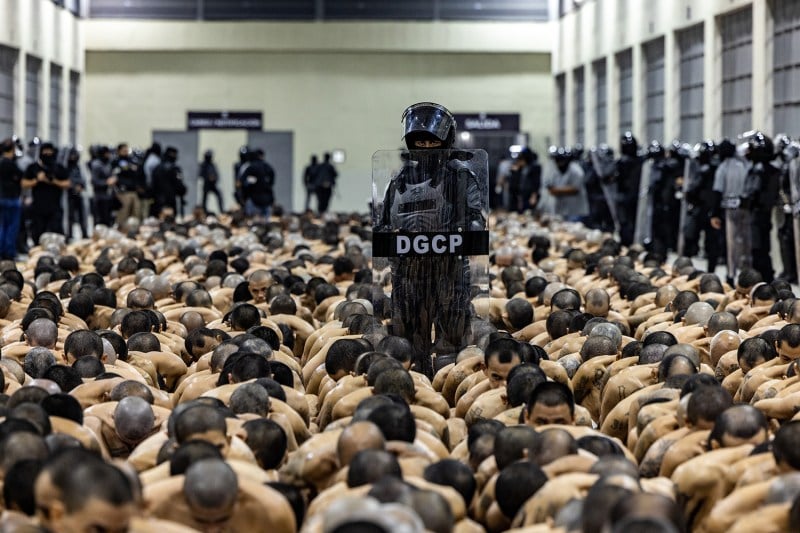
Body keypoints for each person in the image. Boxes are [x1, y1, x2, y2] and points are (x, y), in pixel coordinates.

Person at [373, 102, 487, 378]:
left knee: (452, 341)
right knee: (410, 342)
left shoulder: (460, 176)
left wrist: (460, 237)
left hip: (449, 269)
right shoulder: (398, 180)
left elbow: (475, 220)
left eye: (431, 140)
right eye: (419, 140)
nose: (425, 146)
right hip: (408, 273)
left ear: (445, 140)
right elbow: (384, 224)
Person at [25, 141, 69, 244]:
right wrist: (37, 180)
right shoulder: (33, 167)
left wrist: (54, 181)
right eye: (45, 151)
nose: (48, 153)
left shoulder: (59, 168)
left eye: (50, 151)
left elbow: (67, 184)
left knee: (56, 235)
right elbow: (24, 183)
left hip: (55, 208)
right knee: (37, 234)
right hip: (38, 208)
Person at [0, 138, 24, 260]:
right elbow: (20, 176)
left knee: (2, 226)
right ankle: (9, 253)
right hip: (11, 198)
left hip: (2, 197)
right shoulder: (10, 163)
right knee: (11, 227)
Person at [111, 143, 143, 230]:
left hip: (133, 190)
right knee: (123, 213)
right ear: (119, 151)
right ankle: (120, 230)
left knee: (136, 212)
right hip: (123, 192)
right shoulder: (116, 161)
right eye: (123, 150)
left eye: (126, 150)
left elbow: (135, 172)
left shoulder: (132, 161)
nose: (125, 152)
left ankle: (134, 231)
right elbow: (117, 175)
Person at [151, 146, 186, 219]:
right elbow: (179, 184)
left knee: (160, 218)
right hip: (170, 198)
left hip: (158, 198)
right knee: (170, 218)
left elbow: (153, 184)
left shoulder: (157, 168)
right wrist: (182, 191)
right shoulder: (175, 169)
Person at [241, 148, 275, 219]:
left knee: (253, 224)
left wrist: (244, 194)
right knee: (266, 224)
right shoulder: (268, 167)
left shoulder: (251, 167)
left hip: (254, 199)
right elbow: (272, 182)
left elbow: (243, 181)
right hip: (267, 199)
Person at [65, 147, 88, 241]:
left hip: (79, 194)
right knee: (70, 215)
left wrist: (81, 186)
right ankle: (69, 233)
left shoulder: (80, 166)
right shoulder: (66, 166)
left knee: (83, 214)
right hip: (69, 194)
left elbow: (84, 178)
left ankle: (84, 232)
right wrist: (73, 186)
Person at [90, 145, 116, 227]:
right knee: (99, 221)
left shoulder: (108, 163)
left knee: (108, 220)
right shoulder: (96, 165)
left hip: (108, 196)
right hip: (99, 196)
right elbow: (94, 181)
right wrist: (106, 183)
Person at [199, 149, 224, 215]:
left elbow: (216, 174)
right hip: (206, 184)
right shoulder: (203, 165)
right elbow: (201, 174)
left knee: (219, 195)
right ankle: (204, 211)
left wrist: (214, 178)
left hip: (213, 185)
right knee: (205, 198)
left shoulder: (212, 165)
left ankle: (222, 211)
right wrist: (208, 178)